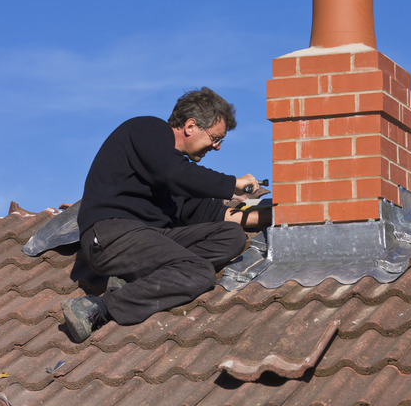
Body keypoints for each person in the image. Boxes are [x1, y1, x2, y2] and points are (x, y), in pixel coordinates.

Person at [62, 87, 270, 342]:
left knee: (231, 236)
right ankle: (98, 308)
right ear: (191, 126)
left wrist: (273, 215)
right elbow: (175, 173)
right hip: (111, 235)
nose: (216, 148)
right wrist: (233, 183)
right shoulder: (147, 131)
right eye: (215, 138)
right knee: (200, 273)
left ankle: (138, 280)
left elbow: (205, 211)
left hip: (151, 237)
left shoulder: (171, 171)